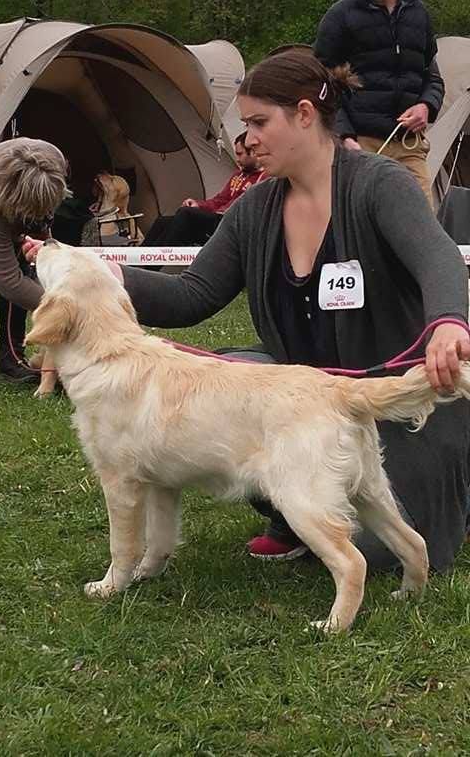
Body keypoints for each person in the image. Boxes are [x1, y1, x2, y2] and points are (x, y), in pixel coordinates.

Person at [24, 48, 470, 575]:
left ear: (304, 114)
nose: (248, 137)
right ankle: (291, 504)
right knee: (223, 383)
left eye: (259, 122)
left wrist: (447, 323)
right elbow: (192, 295)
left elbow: (437, 256)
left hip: (394, 397)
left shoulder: (379, 184)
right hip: (302, 398)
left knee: (385, 552)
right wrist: (105, 276)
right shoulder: (254, 209)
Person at [314, 0, 444, 207]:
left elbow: (432, 78)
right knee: (367, 229)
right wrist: (345, 137)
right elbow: (321, 84)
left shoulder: (419, 13)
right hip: (361, 144)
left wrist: (426, 106)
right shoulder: (340, 16)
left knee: (422, 228)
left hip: (409, 144)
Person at [0, 137, 69, 383]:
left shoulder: (53, 157)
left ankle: (10, 360)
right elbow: (9, 282)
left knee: (24, 267)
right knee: (15, 280)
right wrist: (64, 309)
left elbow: (46, 219)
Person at [142, 132, 266, 247]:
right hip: (216, 219)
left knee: (186, 214)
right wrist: (198, 205)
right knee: (163, 222)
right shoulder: (238, 175)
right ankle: (135, 264)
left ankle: (154, 260)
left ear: (253, 152)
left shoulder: (264, 178)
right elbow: (219, 200)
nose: (237, 160)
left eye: (240, 154)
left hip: (231, 223)